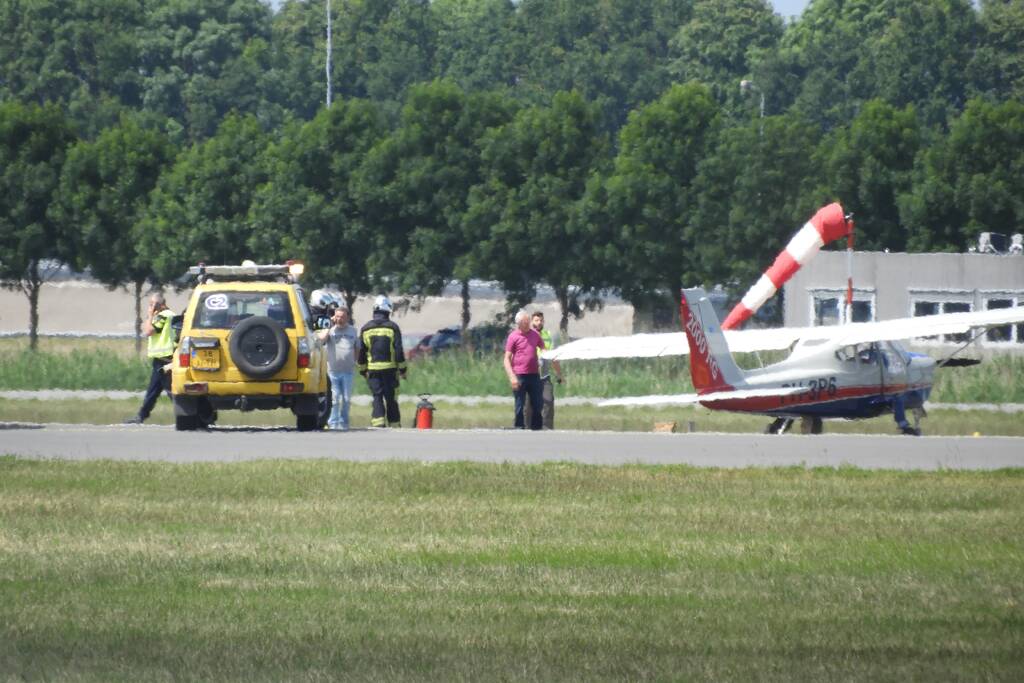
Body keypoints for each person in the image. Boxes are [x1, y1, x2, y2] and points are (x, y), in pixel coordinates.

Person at [124, 292, 176, 424]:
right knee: (153, 391)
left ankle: (189, 416)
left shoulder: (163, 316)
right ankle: (141, 416)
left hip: (165, 360)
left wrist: (150, 315)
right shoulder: (169, 315)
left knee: (172, 391)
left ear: (160, 304)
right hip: (162, 360)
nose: (150, 307)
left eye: (152, 304)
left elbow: (148, 331)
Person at [357, 295, 407, 428]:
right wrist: (403, 370)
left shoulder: (365, 329)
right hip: (390, 370)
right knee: (391, 399)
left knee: (377, 397)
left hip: (373, 370)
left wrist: (362, 370)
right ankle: (395, 424)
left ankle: (378, 424)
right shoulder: (393, 328)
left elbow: (361, 352)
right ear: (388, 311)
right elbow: (398, 351)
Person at [317, 304, 358, 431]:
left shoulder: (353, 331)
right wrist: (329, 325)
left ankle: (344, 422)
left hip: (348, 371)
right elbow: (321, 339)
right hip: (333, 371)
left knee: (346, 399)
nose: (339, 319)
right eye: (337, 316)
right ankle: (333, 422)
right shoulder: (331, 330)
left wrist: (354, 361)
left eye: (342, 317)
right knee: (334, 399)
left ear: (347, 317)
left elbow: (357, 347)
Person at [504, 310, 545, 430]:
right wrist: (512, 377)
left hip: (534, 375)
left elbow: (543, 348)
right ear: (519, 324)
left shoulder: (535, 335)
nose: (528, 324)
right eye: (525, 322)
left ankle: (537, 428)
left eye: (528, 321)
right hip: (519, 375)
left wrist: (545, 355)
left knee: (537, 404)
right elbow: (506, 358)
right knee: (520, 405)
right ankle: (519, 427)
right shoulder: (513, 336)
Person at [524, 311, 563, 429]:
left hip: (544, 376)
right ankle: (526, 428)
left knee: (548, 401)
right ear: (531, 322)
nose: (539, 322)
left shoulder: (547, 336)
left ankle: (547, 428)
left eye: (541, 320)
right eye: (536, 320)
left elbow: (554, 358)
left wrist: (559, 375)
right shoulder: (526, 335)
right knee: (528, 405)